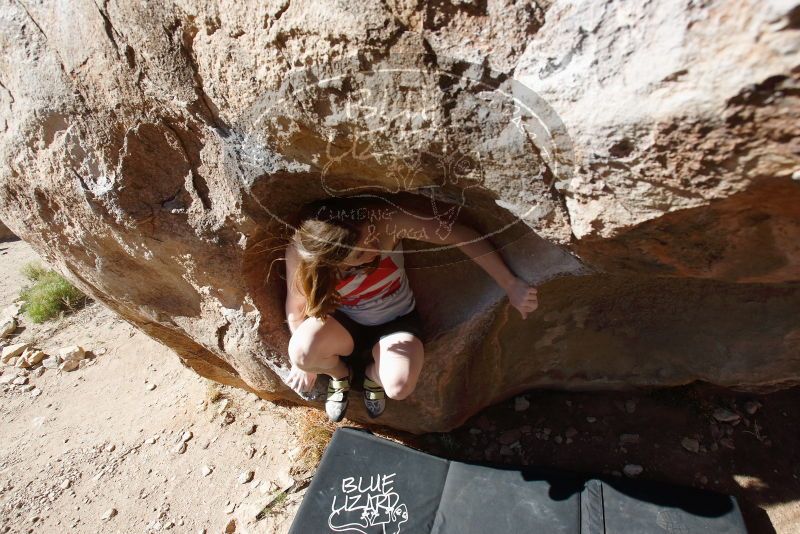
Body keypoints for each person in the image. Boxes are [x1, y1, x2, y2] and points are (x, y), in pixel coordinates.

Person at [284, 196, 539, 422]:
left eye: (370, 239)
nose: (374, 250)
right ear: (329, 260)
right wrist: (304, 366)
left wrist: (510, 284)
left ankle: (372, 375)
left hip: (395, 319)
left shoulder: (386, 223)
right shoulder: (303, 253)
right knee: (301, 353)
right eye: (359, 255)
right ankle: (341, 376)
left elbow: (458, 234)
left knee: (398, 386)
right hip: (344, 322)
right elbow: (297, 308)